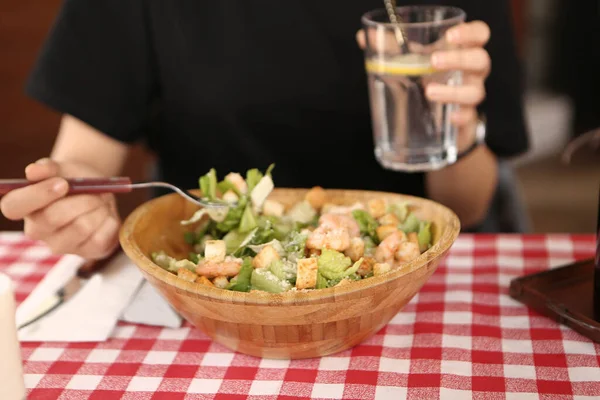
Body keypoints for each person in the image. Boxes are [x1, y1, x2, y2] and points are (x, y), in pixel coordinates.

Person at [0, 0, 528, 260]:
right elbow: (84, 163)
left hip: (402, 284)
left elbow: (470, 206)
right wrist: (75, 204)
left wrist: (453, 130)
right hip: (200, 281)